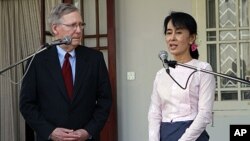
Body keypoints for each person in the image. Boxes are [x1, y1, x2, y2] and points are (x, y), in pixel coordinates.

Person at [19, 3, 112, 141]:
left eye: (81, 25)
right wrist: (50, 131)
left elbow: (105, 100)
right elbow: (27, 104)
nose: (79, 30)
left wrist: (88, 131)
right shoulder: (37, 60)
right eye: (72, 25)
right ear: (55, 28)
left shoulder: (95, 58)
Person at [148, 11, 216, 141]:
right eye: (169, 32)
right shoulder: (161, 74)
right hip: (165, 133)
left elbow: (205, 113)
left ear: (191, 38)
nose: (172, 38)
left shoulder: (203, 69)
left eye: (178, 32)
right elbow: (154, 112)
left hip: (192, 135)